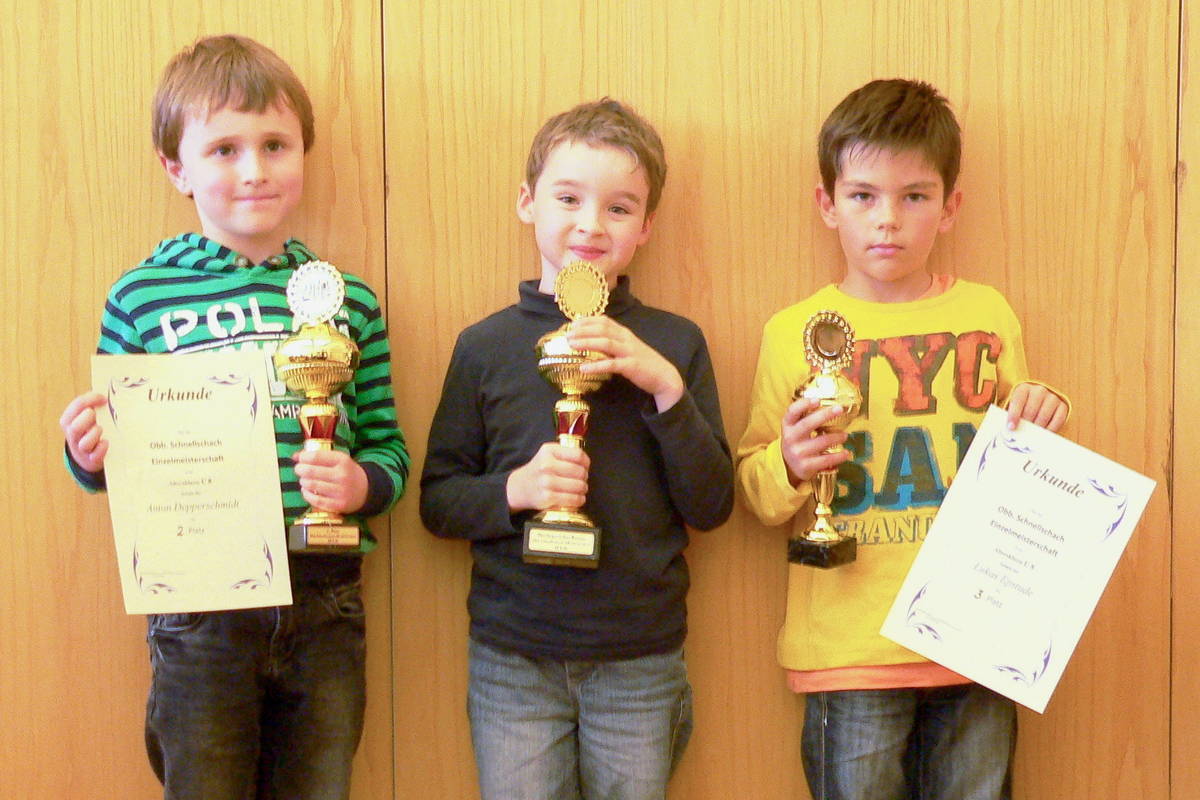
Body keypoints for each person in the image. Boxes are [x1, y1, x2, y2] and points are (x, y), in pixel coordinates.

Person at [57, 34, 408, 799]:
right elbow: (116, 463)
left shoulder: (347, 299)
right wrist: (88, 455)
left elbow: (388, 447)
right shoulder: (141, 298)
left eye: (275, 145)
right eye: (224, 149)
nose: (254, 169)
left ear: (304, 152)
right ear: (176, 169)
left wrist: (360, 485)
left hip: (324, 597)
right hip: (199, 606)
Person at [735, 79, 1070, 800]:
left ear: (950, 207)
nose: (887, 219)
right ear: (827, 204)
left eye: (914, 196)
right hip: (849, 649)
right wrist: (789, 463)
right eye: (863, 195)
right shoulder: (792, 332)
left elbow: (1028, 449)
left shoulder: (987, 314)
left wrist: (1047, 409)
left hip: (978, 639)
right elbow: (756, 492)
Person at [420, 98, 734, 800]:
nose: (591, 224)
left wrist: (663, 386)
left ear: (646, 226)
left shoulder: (674, 345)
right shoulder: (484, 346)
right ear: (527, 202)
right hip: (514, 659)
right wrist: (516, 490)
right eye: (568, 198)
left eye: (619, 208)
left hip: (639, 659)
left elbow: (712, 506)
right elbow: (437, 501)